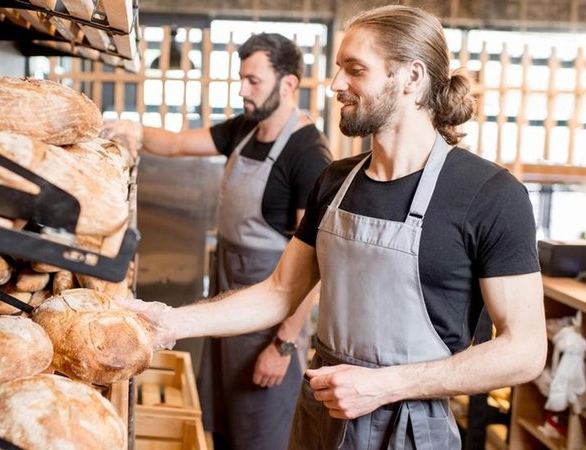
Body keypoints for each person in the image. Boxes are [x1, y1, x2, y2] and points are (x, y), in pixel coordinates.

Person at [115, 5, 547, 450]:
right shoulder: (336, 181)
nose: (336, 85)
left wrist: (386, 385)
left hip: (412, 430)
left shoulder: (491, 194)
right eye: (339, 69)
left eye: (355, 70)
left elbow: (525, 351)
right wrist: (171, 321)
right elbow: (281, 291)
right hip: (320, 415)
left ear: (412, 78)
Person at [103, 33, 332, 450]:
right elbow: (173, 145)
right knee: (224, 428)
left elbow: (315, 270)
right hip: (228, 310)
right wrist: (131, 128)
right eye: (241, 79)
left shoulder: (309, 156)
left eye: (253, 81)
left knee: (261, 434)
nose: (242, 90)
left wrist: (281, 346)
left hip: (267, 326)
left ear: (289, 85)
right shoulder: (245, 130)